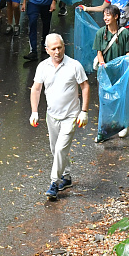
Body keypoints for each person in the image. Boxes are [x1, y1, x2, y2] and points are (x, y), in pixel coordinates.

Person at [29, 33, 89, 200]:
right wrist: (34, 112)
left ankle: (54, 183)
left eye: (60, 47)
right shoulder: (43, 67)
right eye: (53, 48)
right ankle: (66, 177)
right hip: (52, 115)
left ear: (64, 47)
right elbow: (36, 89)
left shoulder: (74, 66)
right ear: (47, 50)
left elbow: (85, 86)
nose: (57, 51)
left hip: (71, 115)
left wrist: (84, 111)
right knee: (55, 149)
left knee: (61, 149)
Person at [93, 5, 129, 139]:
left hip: (120, 72)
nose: (105, 18)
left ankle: (122, 124)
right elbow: (99, 52)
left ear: (116, 16)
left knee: (120, 98)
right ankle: (104, 128)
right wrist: (102, 64)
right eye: (104, 15)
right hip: (105, 72)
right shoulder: (100, 33)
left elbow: (127, 52)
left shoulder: (125, 33)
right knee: (105, 99)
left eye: (108, 15)